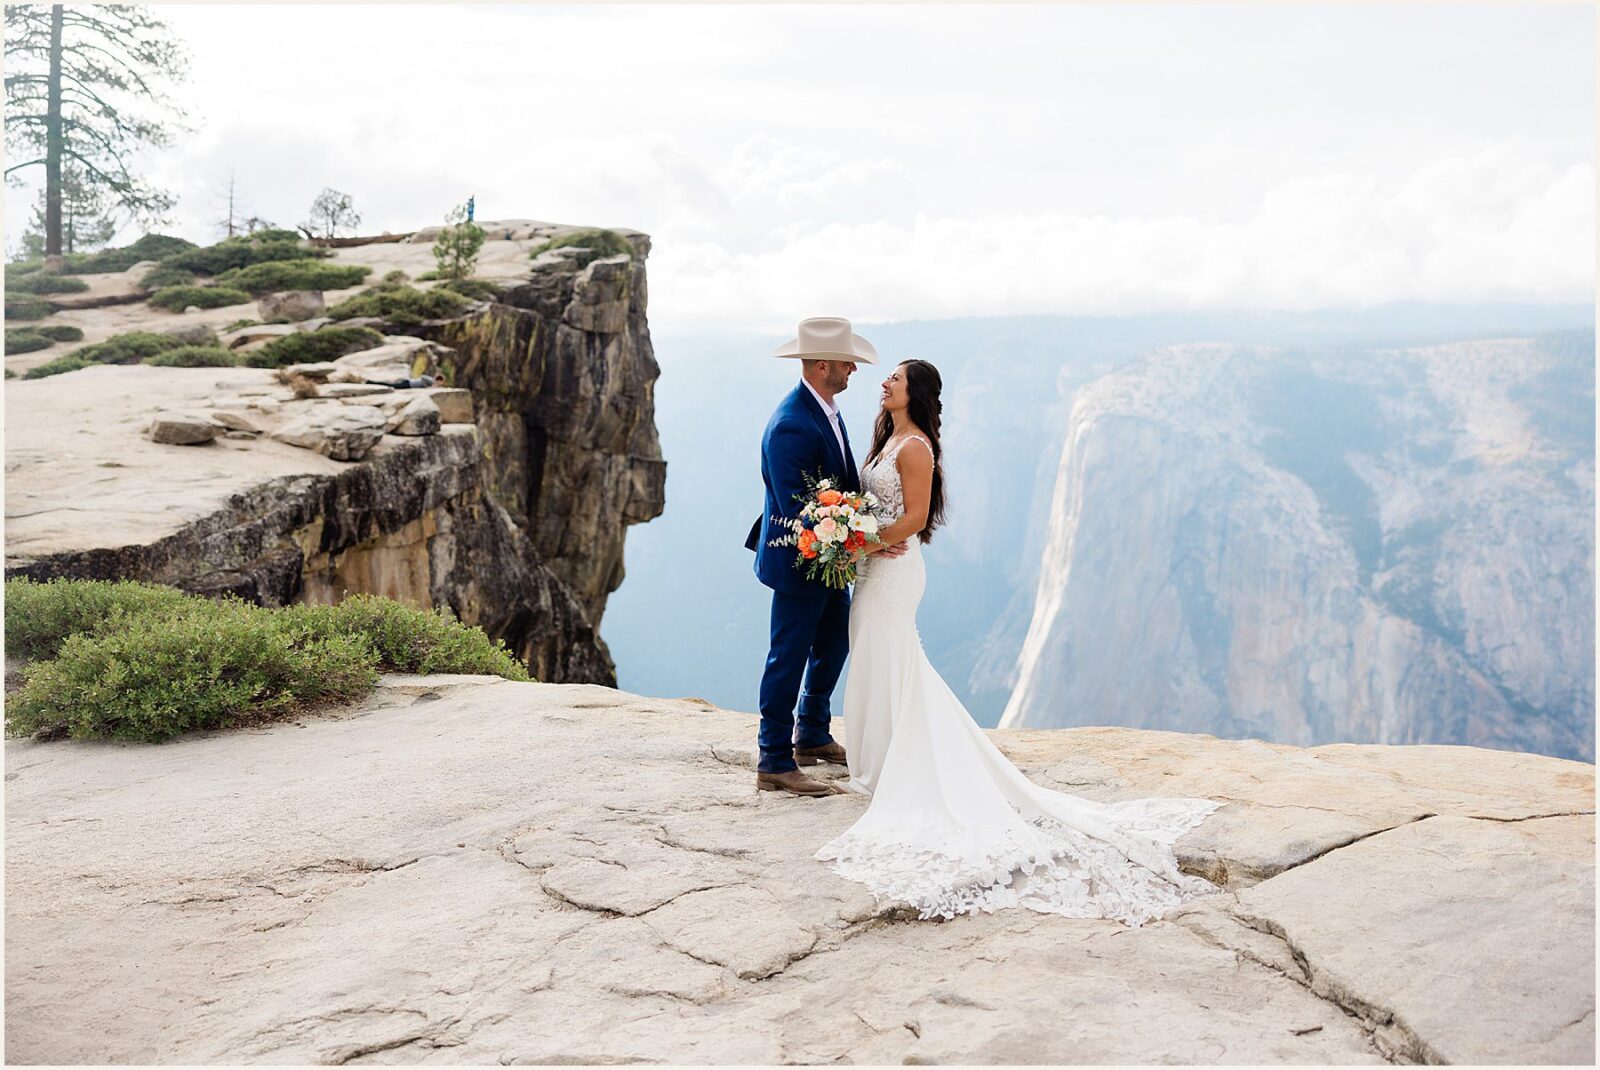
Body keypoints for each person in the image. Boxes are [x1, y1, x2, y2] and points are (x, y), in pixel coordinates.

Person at [815, 359, 1225, 925]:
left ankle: (892, 764)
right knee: (876, 657)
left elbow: (914, 518)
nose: (885, 382)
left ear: (916, 393)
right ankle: (880, 758)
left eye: (896, 379)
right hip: (872, 567)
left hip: (892, 571)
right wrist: (854, 534)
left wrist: (863, 543)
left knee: (891, 658)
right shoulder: (888, 439)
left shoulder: (915, 448)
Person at [745, 317, 906, 796]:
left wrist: (866, 530)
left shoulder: (824, 410)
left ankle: (811, 732)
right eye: (846, 362)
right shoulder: (792, 425)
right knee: (788, 655)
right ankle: (773, 759)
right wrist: (870, 539)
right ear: (821, 366)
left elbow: (838, 488)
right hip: (799, 561)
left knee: (835, 639)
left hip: (827, 560)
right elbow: (800, 508)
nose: (854, 369)